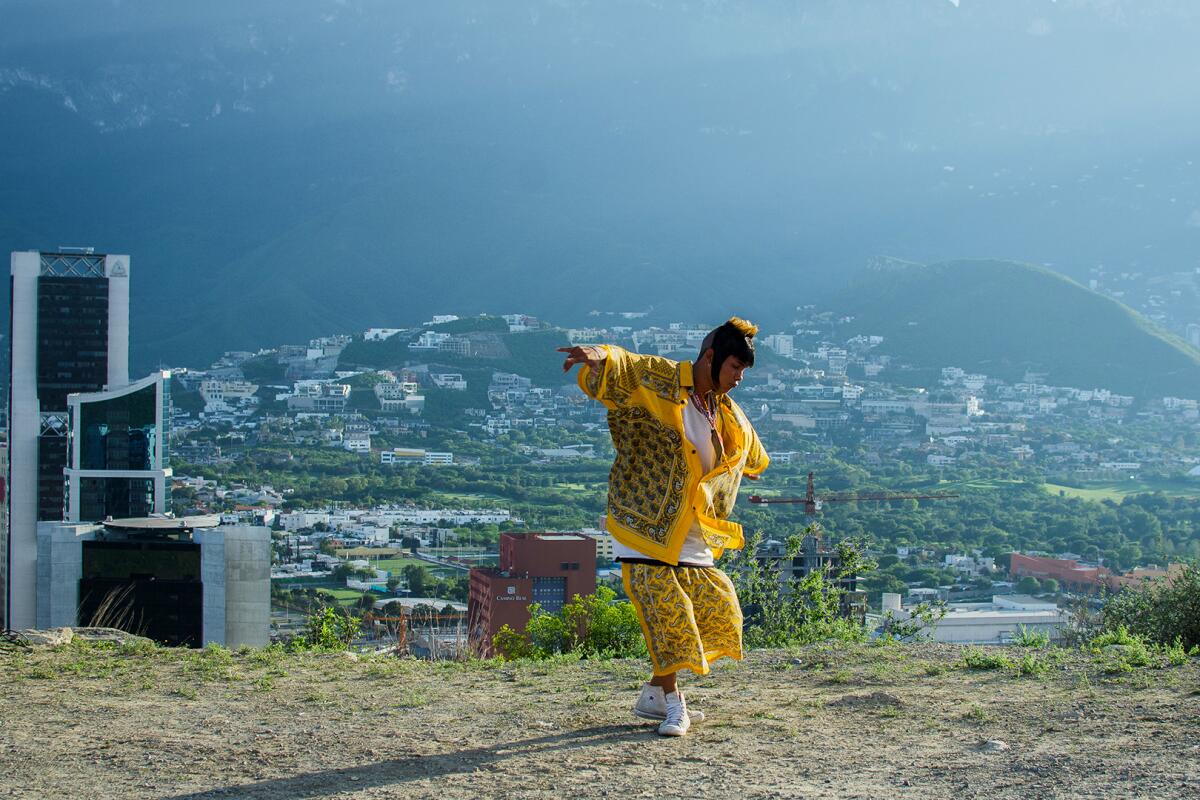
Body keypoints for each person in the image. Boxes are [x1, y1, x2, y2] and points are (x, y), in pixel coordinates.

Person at [559, 317, 769, 736]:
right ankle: (675, 705)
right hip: (644, 520)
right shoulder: (660, 380)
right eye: (734, 368)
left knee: (720, 609)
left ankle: (654, 693)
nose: (739, 378)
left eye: (743, 372)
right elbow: (624, 363)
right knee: (668, 615)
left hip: (692, 531)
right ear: (710, 357)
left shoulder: (728, 414)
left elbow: (753, 455)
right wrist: (598, 356)